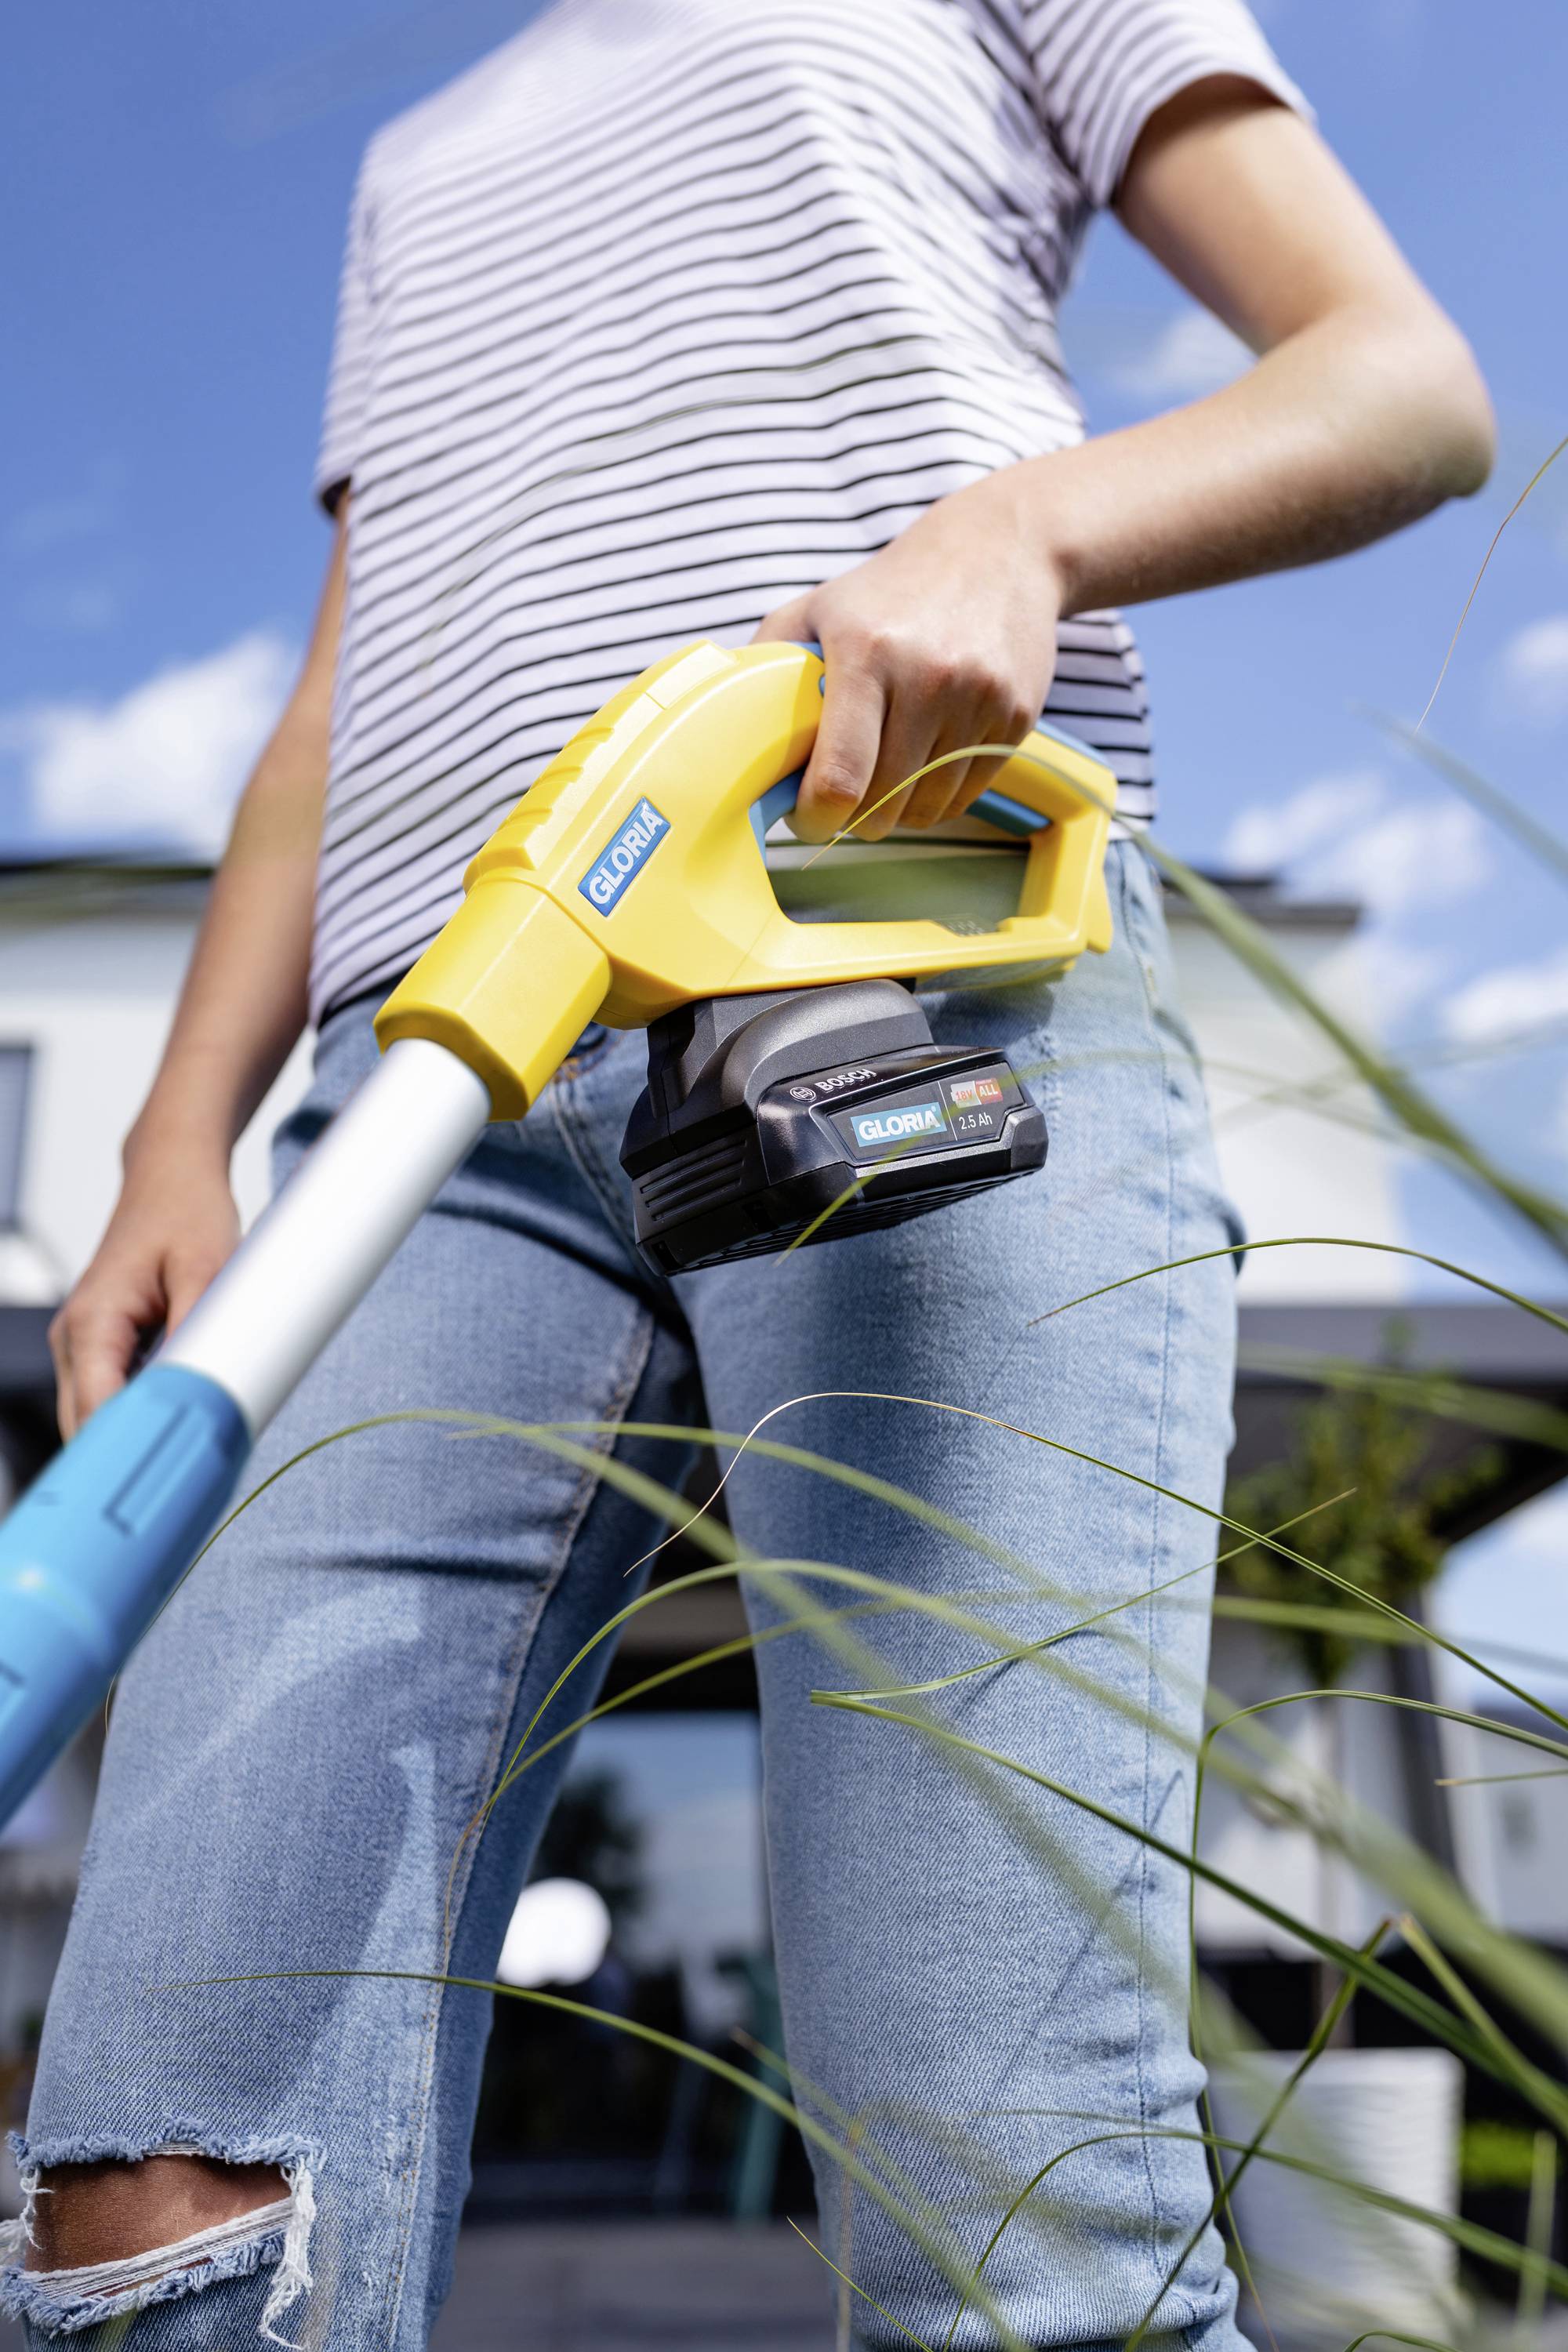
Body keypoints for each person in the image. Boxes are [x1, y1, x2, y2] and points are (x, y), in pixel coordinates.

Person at [5, 1, 1492, 2345]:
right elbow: (342, 685)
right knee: (153, 2199)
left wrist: (1024, 521)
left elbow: (1401, 379)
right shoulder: (420, 154)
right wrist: (178, 1128)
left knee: (1004, 2216)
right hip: (424, 1114)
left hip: (909, 972)